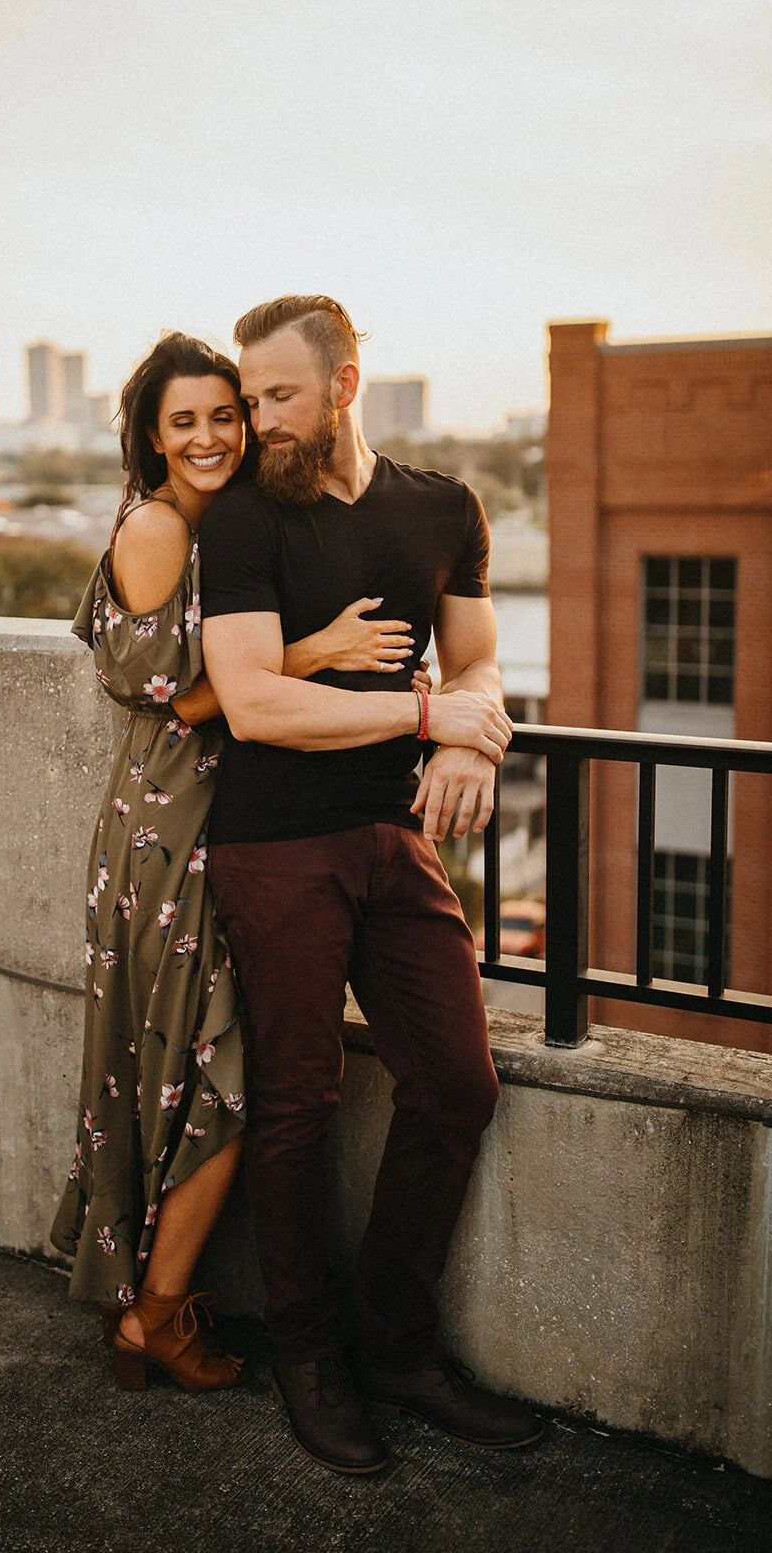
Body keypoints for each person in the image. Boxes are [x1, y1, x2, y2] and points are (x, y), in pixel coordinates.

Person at [199, 295, 543, 1472]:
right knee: (296, 1097)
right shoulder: (240, 519)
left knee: (454, 1081)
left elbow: (479, 660)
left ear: (343, 384)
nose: (257, 420)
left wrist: (469, 741)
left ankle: (395, 1346)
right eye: (248, 397)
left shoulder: (442, 506)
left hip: (394, 838)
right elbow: (253, 702)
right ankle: (307, 1354)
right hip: (273, 844)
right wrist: (422, 714)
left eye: (278, 395)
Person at [50, 331, 428, 1394]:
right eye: (185, 421)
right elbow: (177, 700)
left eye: (228, 414)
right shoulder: (158, 528)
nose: (214, 435)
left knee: (200, 1069)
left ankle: (148, 1303)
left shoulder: (236, 524)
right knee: (223, 1073)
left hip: (225, 820)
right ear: (151, 437)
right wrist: (313, 653)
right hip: (170, 829)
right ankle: (157, 1316)